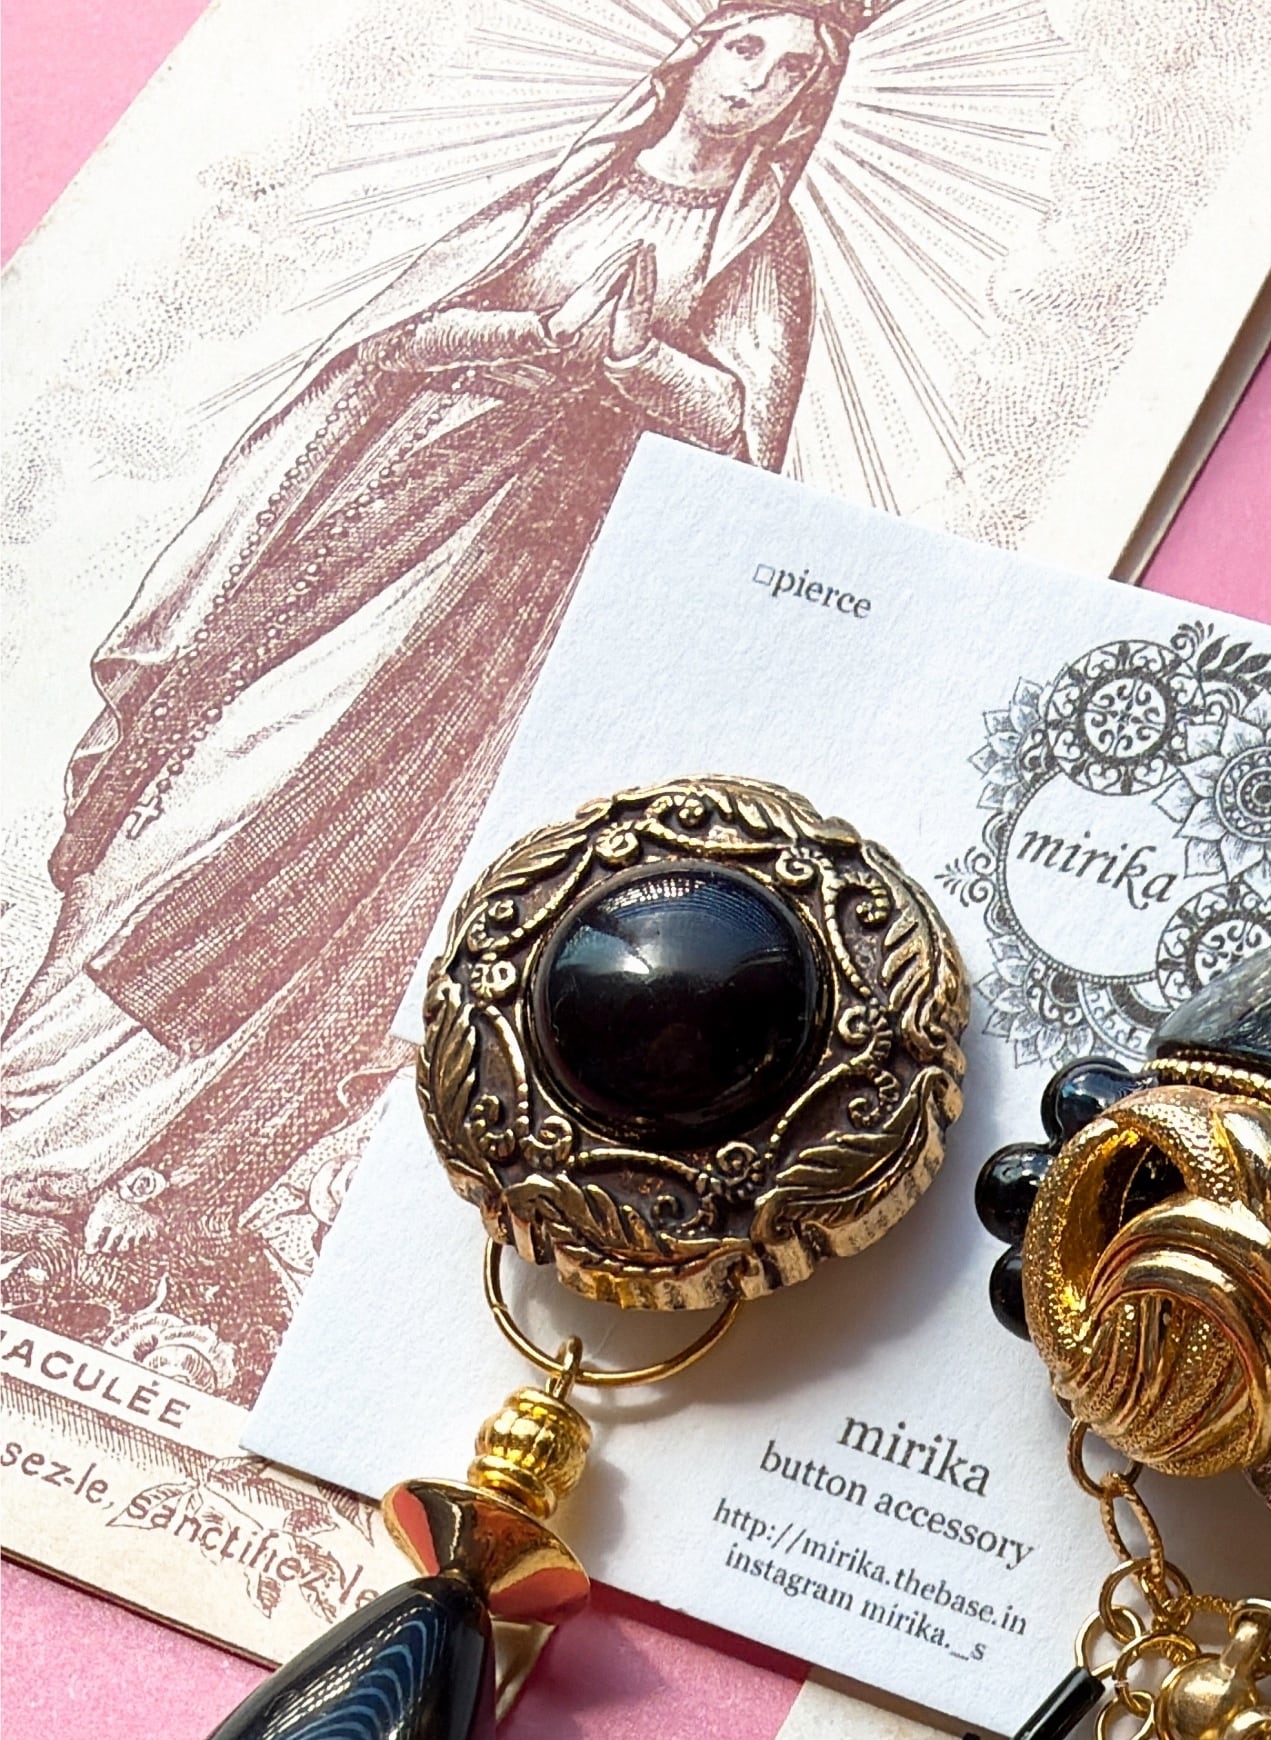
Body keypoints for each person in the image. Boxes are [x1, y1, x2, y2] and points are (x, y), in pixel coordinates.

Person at [0, 6, 879, 1331]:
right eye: (747, 47)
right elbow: (398, 337)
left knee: (364, 864)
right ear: (698, 49)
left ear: (807, 108)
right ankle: (30, 1094)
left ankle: (130, 1165)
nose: (759, 82)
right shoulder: (576, 177)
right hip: (375, 529)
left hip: (520, 593)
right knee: (212, 779)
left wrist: (635, 362)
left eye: (794, 73)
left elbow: (746, 433)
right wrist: (523, 344)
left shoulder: (761, 253)